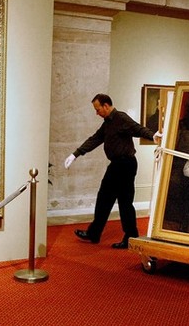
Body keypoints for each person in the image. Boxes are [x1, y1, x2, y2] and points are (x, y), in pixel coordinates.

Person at [64, 94, 162, 249]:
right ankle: (96, 233)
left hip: (125, 164)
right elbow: (95, 139)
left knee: (123, 202)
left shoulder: (120, 118)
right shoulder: (107, 123)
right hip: (117, 165)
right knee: (105, 198)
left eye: (98, 109)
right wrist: (75, 154)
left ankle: (128, 235)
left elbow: (138, 129)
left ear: (106, 105)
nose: (97, 113)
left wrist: (152, 136)